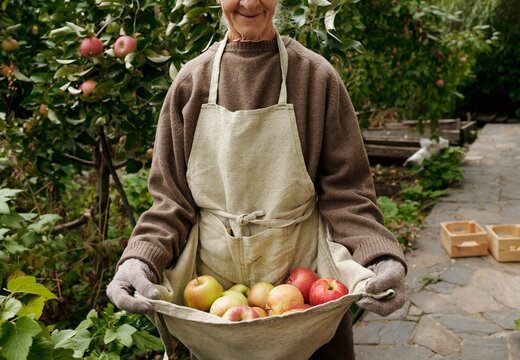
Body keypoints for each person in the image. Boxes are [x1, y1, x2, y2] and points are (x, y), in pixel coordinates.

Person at [107, 0, 407, 358]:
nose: (249, 3)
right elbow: (170, 202)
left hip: (306, 300)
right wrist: (139, 260)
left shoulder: (315, 77)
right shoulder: (191, 83)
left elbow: (348, 194)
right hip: (216, 312)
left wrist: (379, 256)